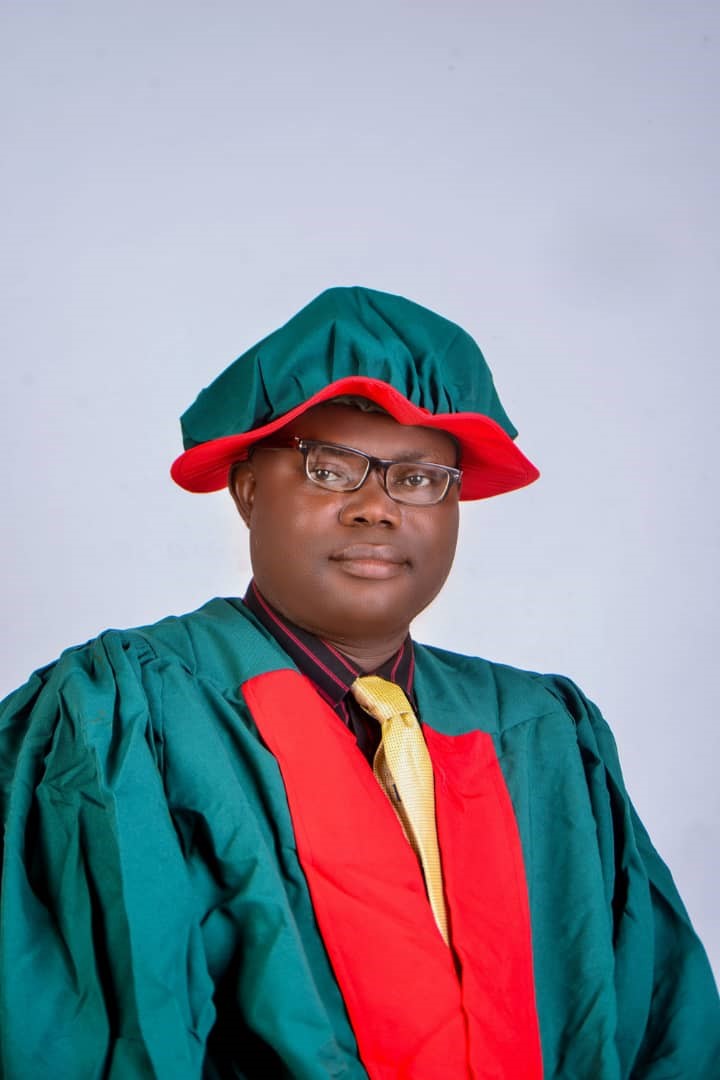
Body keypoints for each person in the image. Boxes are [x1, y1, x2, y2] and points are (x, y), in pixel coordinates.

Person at [0, 286, 717, 1079]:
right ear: (248, 492)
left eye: (418, 478)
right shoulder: (127, 715)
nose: (377, 508)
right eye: (331, 470)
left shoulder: (544, 733)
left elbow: (664, 1030)